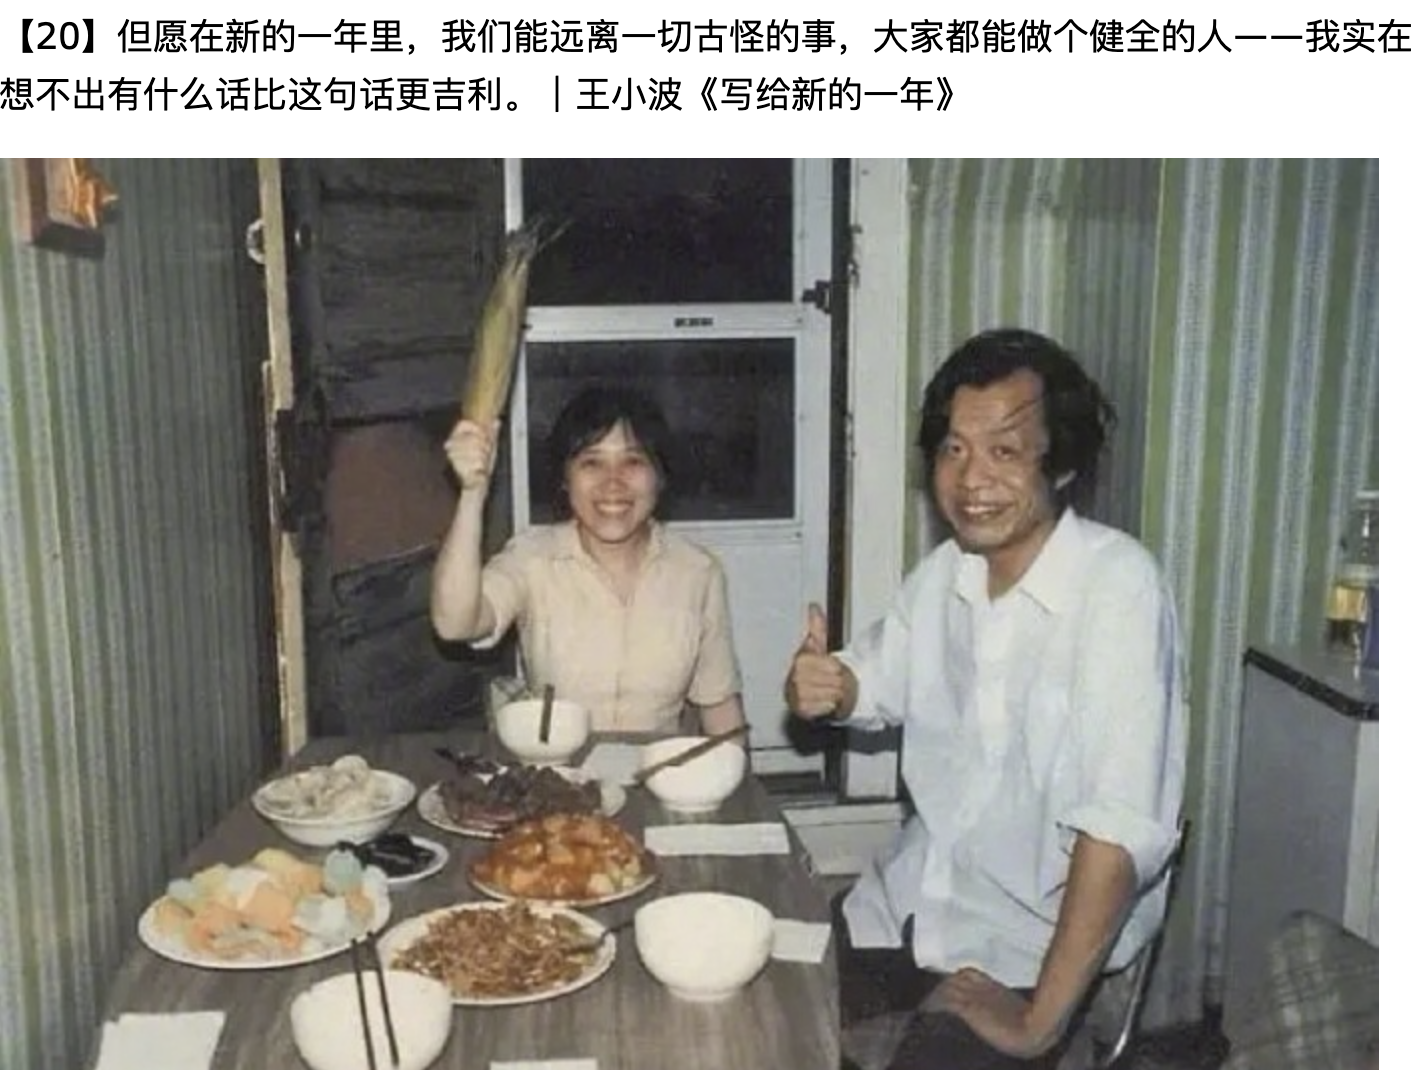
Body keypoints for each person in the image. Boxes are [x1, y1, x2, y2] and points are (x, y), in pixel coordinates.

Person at [784, 328, 1187, 1070]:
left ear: (1062, 463)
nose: (972, 478)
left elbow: (1118, 833)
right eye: (954, 449)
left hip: (1025, 953)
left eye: (1005, 451)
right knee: (750, 1005)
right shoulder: (946, 573)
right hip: (902, 911)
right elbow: (872, 679)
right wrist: (831, 686)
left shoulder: (1118, 588)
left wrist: (1038, 1022)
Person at [432, 385, 747, 737]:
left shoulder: (697, 572)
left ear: (660, 478)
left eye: (633, 461)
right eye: (592, 462)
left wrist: (736, 769)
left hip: (658, 767)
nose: (613, 482)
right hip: (556, 768)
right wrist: (473, 492)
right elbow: (454, 624)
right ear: (565, 479)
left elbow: (720, 705)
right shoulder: (532, 558)